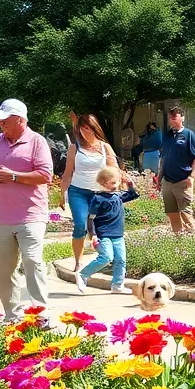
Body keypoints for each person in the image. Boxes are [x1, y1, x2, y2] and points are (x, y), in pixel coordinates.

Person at [0, 99, 54, 322]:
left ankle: (41, 315)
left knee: (32, 261)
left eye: (5, 120)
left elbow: (45, 176)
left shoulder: (37, 142)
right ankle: (13, 316)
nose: (0, 123)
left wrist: (13, 176)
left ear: (20, 120)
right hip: (1, 218)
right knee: (4, 269)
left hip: (31, 215)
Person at [60, 113, 120, 272]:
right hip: (78, 192)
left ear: (95, 129)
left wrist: (116, 185)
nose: (86, 132)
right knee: (80, 225)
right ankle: (78, 261)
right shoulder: (75, 147)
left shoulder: (104, 147)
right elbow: (67, 173)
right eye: (83, 128)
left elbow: (114, 169)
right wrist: (62, 193)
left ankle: (106, 257)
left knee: (104, 227)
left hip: (100, 194)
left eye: (89, 129)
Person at [75, 166, 140, 294]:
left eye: (118, 182)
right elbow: (91, 218)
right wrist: (92, 235)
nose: (117, 185)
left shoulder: (118, 196)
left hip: (118, 235)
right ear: (104, 183)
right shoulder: (97, 199)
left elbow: (134, 194)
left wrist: (130, 183)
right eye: (114, 182)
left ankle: (117, 285)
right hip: (103, 235)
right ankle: (82, 274)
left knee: (121, 260)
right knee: (106, 257)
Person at [158, 107, 195, 234]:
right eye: (170, 117)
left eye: (174, 116)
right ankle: (179, 241)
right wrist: (159, 179)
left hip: (183, 181)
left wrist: (192, 177)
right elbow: (163, 158)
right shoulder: (167, 136)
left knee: (185, 213)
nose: (172, 119)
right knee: (172, 214)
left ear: (182, 118)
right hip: (167, 182)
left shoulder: (188, 135)